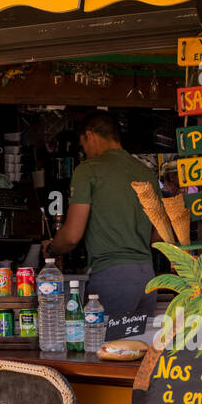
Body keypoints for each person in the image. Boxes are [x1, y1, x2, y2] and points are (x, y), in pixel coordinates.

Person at [44, 111, 158, 319]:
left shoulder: (88, 170)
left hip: (112, 277)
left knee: (105, 348)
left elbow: (71, 236)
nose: (85, 152)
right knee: (139, 348)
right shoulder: (146, 173)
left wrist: (51, 249)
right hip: (147, 278)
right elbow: (158, 236)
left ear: (90, 136)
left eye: (83, 145)